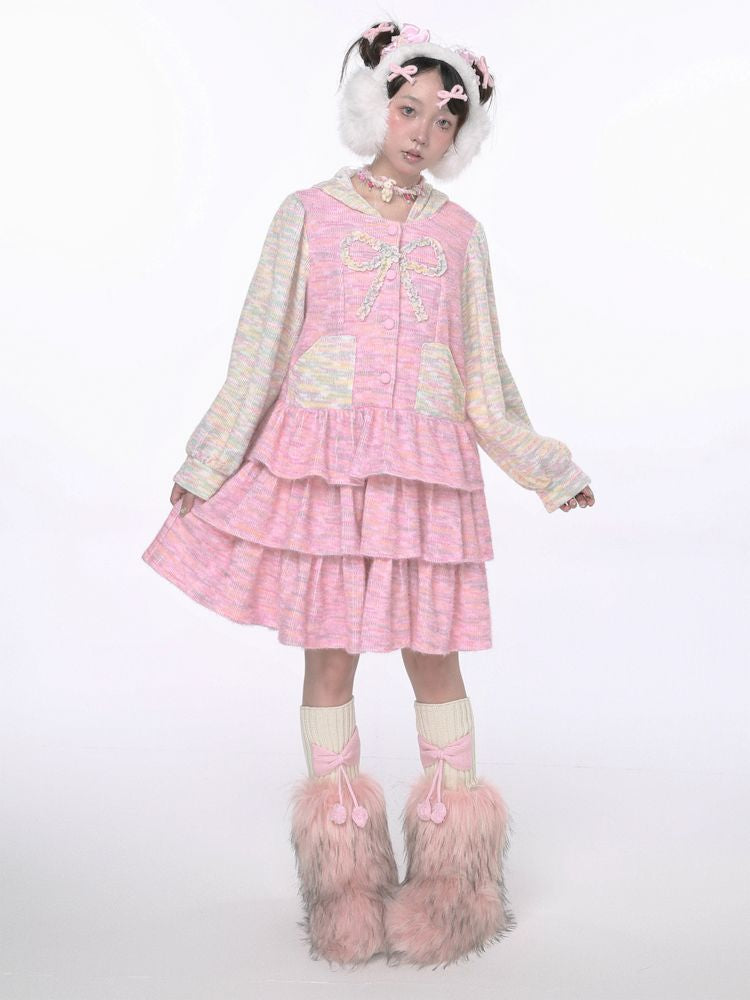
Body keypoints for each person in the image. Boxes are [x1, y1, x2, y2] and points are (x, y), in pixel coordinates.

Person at [141, 18, 595, 970]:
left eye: (443, 119)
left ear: (460, 135)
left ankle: (456, 886)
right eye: (408, 108)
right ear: (374, 107)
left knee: (436, 657)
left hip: (427, 475)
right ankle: (343, 890)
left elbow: (485, 379)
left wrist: (546, 467)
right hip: (328, 470)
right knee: (331, 661)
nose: (422, 130)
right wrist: (207, 462)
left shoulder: (461, 237)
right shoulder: (307, 215)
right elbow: (260, 349)